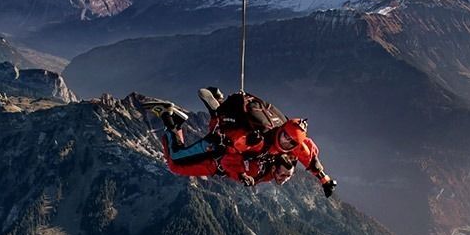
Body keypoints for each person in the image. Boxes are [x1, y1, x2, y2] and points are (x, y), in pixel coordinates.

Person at [142, 89, 337, 197]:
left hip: (226, 147)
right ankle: (171, 120)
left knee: (218, 123)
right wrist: (242, 175)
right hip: (217, 150)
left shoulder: (292, 148)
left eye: (290, 141)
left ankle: (218, 102)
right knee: (175, 162)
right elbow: (230, 156)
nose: (285, 141)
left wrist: (324, 180)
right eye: (285, 135)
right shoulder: (261, 146)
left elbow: (310, 156)